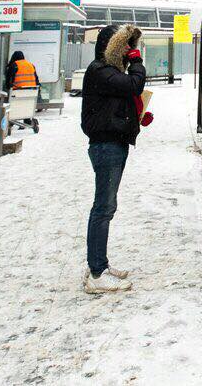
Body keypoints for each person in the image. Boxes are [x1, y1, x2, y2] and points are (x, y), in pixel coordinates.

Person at [80, 24, 148, 293]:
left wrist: (137, 117)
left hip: (113, 143)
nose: (129, 52)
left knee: (105, 207)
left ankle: (99, 264)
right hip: (106, 146)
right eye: (126, 47)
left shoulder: (106, 72)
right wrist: (137, 62)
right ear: (113, 47)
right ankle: (96, 274)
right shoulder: (100, 70)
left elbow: (120, 100)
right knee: (103, 208)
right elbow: (135, 84)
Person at [4, 50, 40, 133]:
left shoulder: (14, 65)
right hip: (31, 91)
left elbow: (8, 79)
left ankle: (12, 121)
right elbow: (36, 79)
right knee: (27, 106)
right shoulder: (31, 65)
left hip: (17, 91)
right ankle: (27, 120)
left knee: (15, 107)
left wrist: (8, 87)